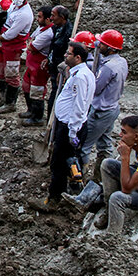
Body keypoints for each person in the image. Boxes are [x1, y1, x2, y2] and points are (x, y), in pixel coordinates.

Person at [44, 42, 94, 211]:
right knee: (70, 159)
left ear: (78, 57)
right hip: (71, 124)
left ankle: (55, 198)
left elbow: (79, 106)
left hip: (70, 126)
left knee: (59, 163)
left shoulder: (80, 77)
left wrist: (72, 131)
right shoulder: (82, 73)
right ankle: (73, 190)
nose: (65, 55)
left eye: (69, 53)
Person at [80, 29, 129, 171]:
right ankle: (102, 175)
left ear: (110, 48)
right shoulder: (121, 61)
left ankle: (80, 176)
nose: (99, 45)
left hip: (100, 112)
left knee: (84, 146)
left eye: (102, 44)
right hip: (112, 108)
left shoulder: (108, 67)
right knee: (105, 143)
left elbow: (95, 88)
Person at [0, 0, 34, 111]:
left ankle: (10, 103)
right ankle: (3, 98)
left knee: (11, 74)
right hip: (4, 45)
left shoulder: (25, 14)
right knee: (0, 71)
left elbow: (12, 33)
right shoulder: (14, 6)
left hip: (13, 47)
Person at [20, 6, 53, 125]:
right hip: (32, 64)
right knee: (26, 86)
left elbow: (32, 46)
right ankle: (30, 110)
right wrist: (31, 44)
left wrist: (31, 44)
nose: (37, 19)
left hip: (39, 67)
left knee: (37, 91)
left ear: (48, 19)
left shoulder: (48, 33)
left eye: (39, 17)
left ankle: (37, 118)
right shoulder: (41, 28)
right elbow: (30, 39)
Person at [45, 5, 73, 116]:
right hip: (54, 64)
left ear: (62, 17)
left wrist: (64, 68)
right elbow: (53, 46)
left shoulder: (69, 32)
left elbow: (66, 53)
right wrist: (48, 58)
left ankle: (53, 119)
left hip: (60, 67)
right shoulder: (56, 28)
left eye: (53, 15)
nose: (51, 18)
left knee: (57, 93)